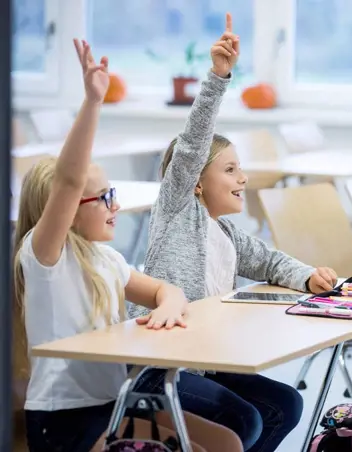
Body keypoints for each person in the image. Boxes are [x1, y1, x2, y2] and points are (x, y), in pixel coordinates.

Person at [127, 13, 336, 452]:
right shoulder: (177, 210)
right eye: (230, 169)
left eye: (241, 168)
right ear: (196, 182)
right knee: (244, 418)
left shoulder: (227, 233)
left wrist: (307, 276)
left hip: (205, 362)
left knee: (286, 405)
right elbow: (192, 144)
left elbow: (271, 260)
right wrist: (218, 78)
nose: (243, 178)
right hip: (160, 367)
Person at [13, 39, 190, 452]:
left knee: (229, 440)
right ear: (70, 209)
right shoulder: (45, 257)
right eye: (105, 197)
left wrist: (166, 306)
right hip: (62, 415)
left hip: (113, 404)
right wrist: (93, 101)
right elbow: (69, 180)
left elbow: (168, 291)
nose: (117, 205)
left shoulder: (105, 258)